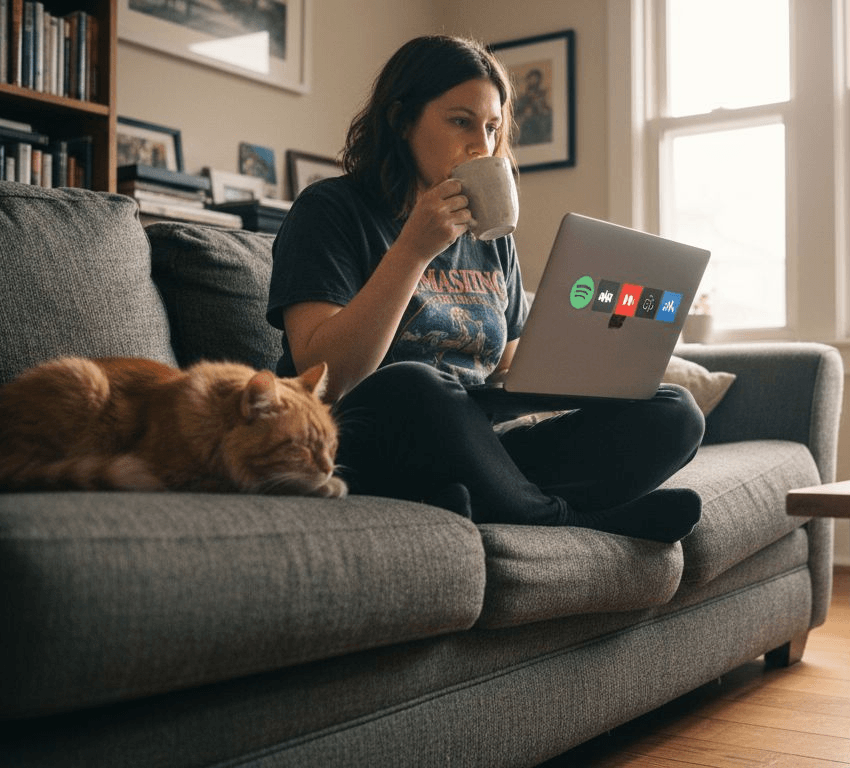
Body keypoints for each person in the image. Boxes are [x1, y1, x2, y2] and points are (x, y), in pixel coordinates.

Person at [266, 35, 704, 542]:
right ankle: (566, 520)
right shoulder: (330, 211)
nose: (482, 144)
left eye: (492, 127)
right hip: (362, 437)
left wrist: (593, 369)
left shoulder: (489, 235)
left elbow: (506, 368)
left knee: (674, 412)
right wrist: (413, 250)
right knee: (417, 384)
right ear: (402, 120)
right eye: (460, 121)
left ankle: (494, 502)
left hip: (477, 445)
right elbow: (325, 377)